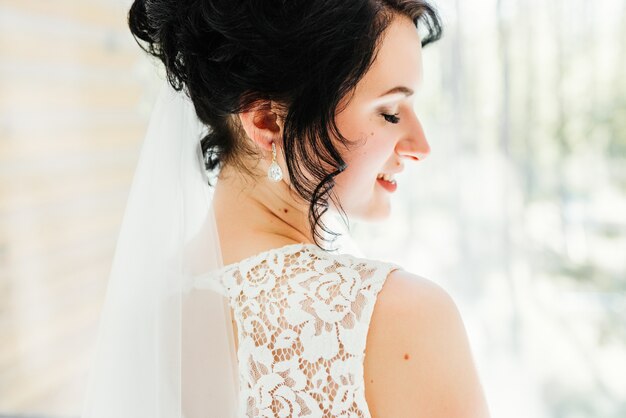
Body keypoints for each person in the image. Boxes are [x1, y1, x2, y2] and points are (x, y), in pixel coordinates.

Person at [82, 1, 491, 417]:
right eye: (389, 113)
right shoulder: (402, 318)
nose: (420, 146)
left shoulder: (147, 316)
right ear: (267, 122)